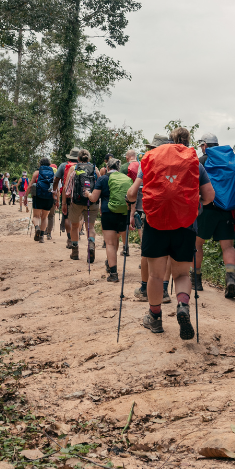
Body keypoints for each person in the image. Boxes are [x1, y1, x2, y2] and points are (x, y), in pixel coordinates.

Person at [126, 128, 215, 340]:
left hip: (155, 223)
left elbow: (131, 194)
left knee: (156, 275)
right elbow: (210, 196)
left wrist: (131, 201)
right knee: (183, 274)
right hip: (185, 225)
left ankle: (155, 318)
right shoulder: (195, 162)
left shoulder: (148, 161)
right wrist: (193, 206)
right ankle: (182, 305)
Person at [193, 133, 235, 298]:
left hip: (206, 208)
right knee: (228, 246)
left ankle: (196, 281)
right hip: (226, 209)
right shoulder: (228, 160)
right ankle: (230, 279)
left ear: (205, 145)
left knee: (197, 243)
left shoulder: (202, 161)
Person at [131, 137, 172, 304]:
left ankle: (144, 288)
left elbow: (135, 190)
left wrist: (132, 205)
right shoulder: (175, 162)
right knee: (168, 252)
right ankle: (163, 290)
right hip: (174, 213)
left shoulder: (147, 161)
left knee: (147, 251)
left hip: (152, 212)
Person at [85, 158, 131, 282]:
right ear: (119, 168)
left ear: (107, 167)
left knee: (110, 243)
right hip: (123, 213)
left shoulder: (103, 178)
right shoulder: (125, 178)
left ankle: (114, 274)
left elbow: (94, 198)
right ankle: (110, 264)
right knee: (116, 240)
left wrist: (88, 193)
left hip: (108, 213)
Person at [62, 149, 99, 261]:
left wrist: (64, 203)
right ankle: (91, 245)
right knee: (90, 227)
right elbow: (98, 187)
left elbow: (66, 188)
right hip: (91, 201)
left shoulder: (74, 168)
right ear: (89, 158)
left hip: (76, 202)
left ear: (78, 158)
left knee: (75, 226)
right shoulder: (94, 169)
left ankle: (75, 252)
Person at [56, 148, 80, 248]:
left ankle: (70, 238)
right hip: (79, 195)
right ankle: (76, 236)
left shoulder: (63, 165)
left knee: (66, 217)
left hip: (67, 194)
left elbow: (57, 179)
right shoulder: (84, 165)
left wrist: (55, 191)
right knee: (78, 217)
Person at [31, 158, 55, 242]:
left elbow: (31, 185)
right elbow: (55, 187)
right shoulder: (53, 173)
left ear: (40, 164)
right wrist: (56, 198)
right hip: (49, 197)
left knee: (36, 216)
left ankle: (37, 227)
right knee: (45, 217)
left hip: (38, 196)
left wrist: (26, 196)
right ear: (49, 164)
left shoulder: (37, 173)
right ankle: (41, 236)